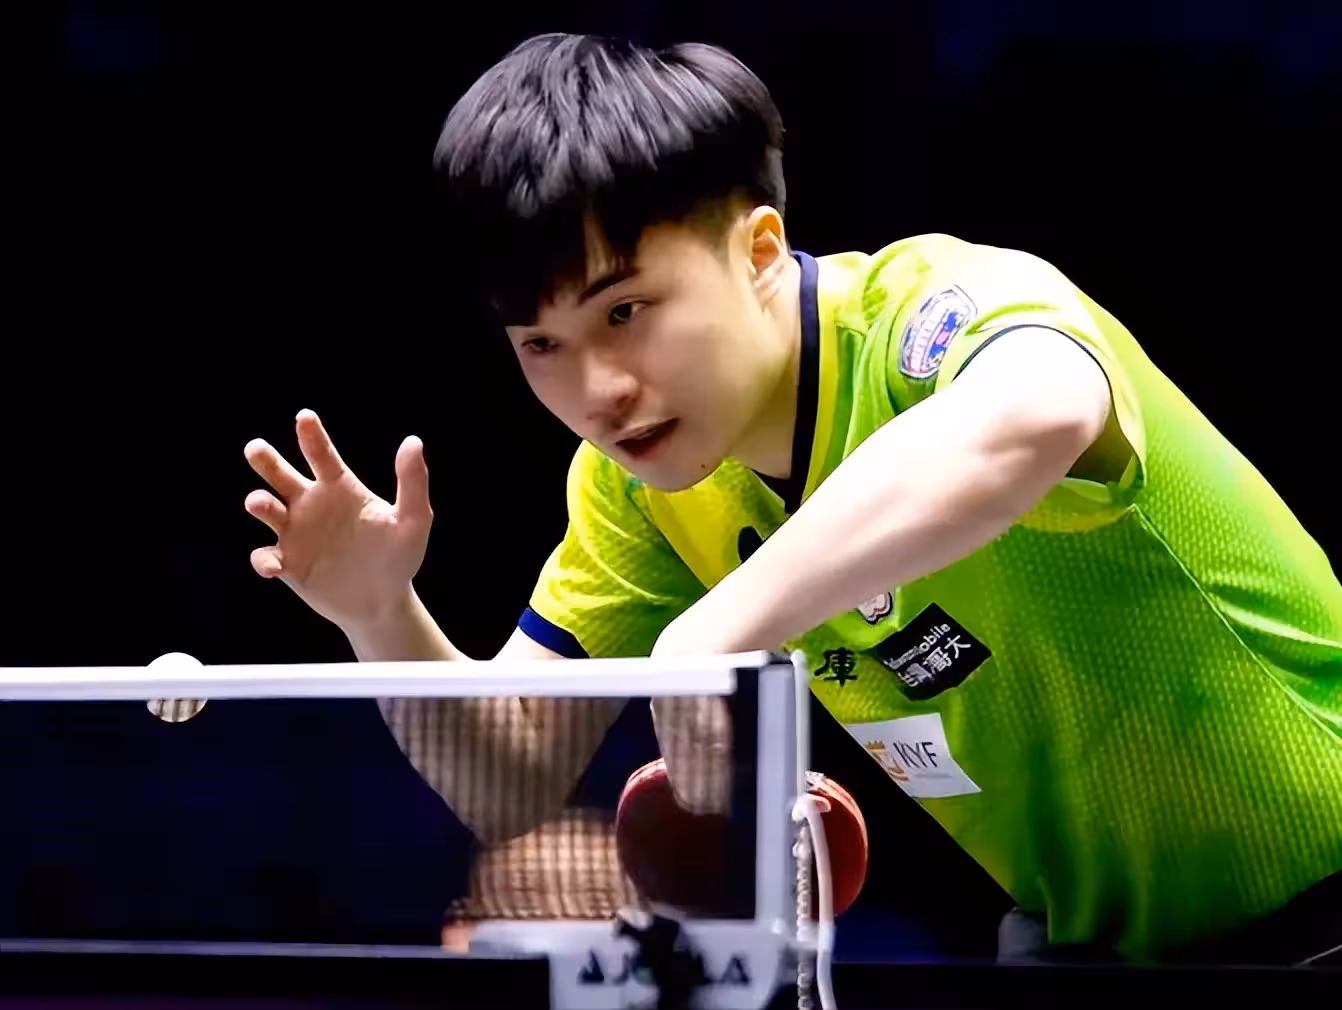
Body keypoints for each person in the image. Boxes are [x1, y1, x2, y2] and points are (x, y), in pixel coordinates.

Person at [241, 33, 1342, 964]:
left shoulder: (937, 309)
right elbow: (512, 779)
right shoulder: (640, 490)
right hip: (1095, 953)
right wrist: (378, 615)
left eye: (626, 312)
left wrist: (715, 626)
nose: (596, 391)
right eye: (542, 344)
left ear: (761, 249)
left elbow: (1039, 413)